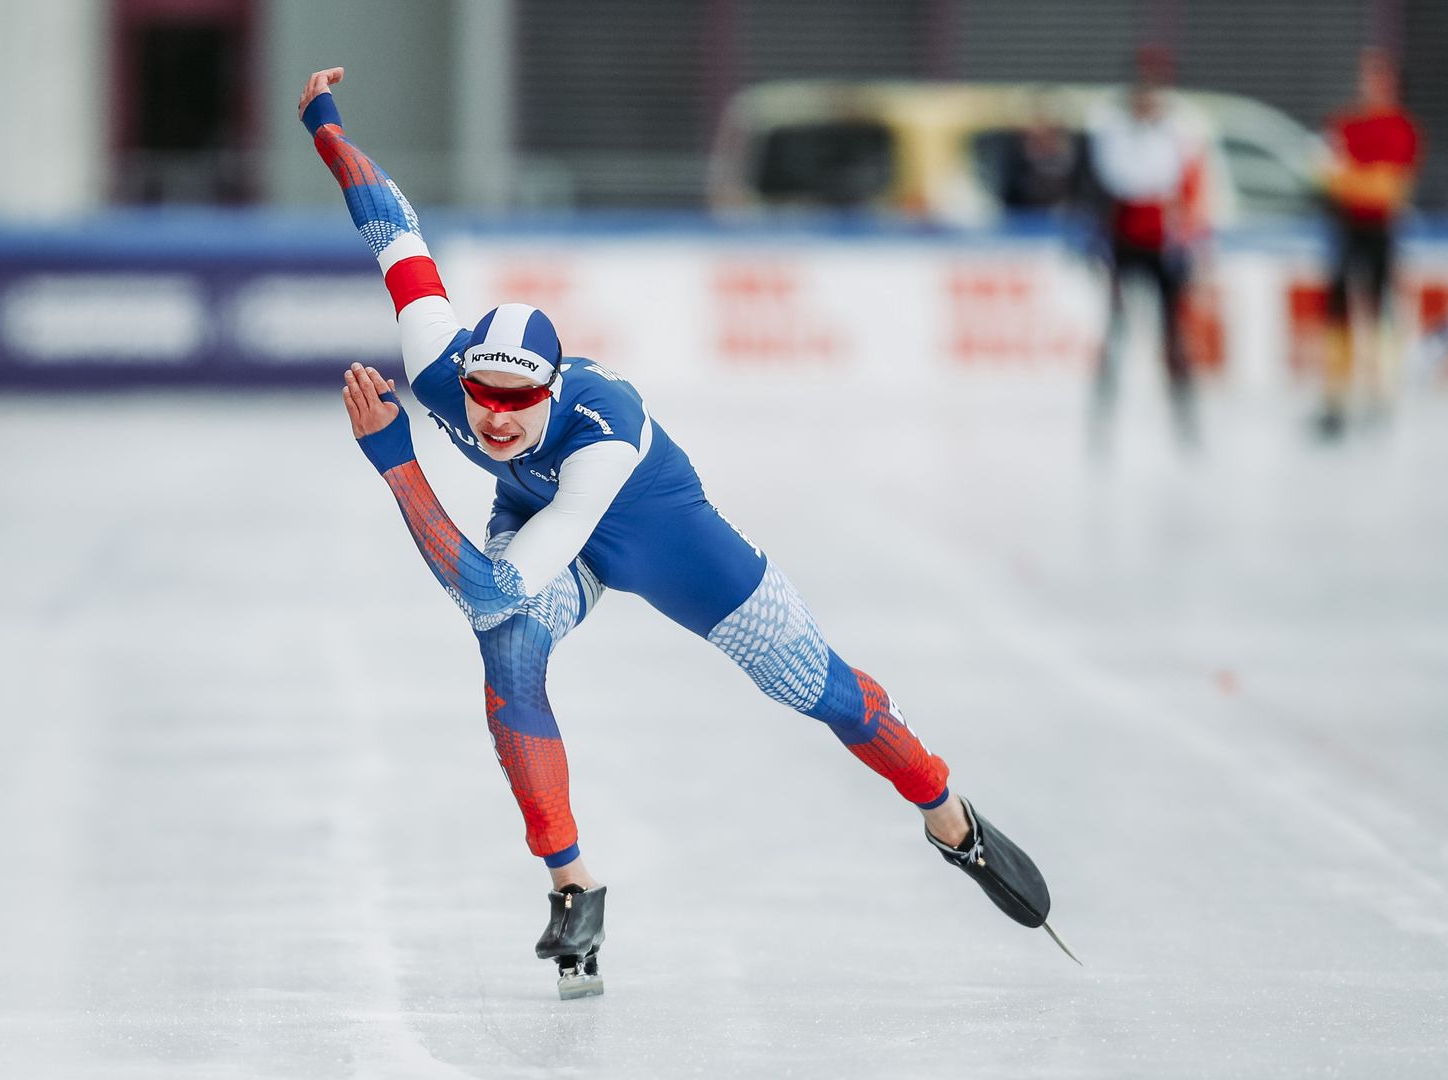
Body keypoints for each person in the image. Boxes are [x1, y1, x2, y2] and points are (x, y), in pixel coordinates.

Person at [299, 68, 1067, 997]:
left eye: (517, 402)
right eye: (481, 397)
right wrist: (330, 130)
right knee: (508, 653)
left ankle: (950, 815)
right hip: (545, 527)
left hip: (655, 532)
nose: (493, 419)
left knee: (827, 695)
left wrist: (396, 462)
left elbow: (484, 583)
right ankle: (573, 883)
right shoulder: (436, 363)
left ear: (551, 389)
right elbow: (392, 226)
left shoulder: (601, 436)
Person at [1085, 46, 1210, 450]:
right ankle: (1102, 422)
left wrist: (1191, 243)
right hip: (1125, 244)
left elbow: (1188, 193)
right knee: (1115, 332)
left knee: (1173, 335)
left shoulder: (1180, 130)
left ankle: (1185, 421)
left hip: (1163, 246)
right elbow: (1112, 184)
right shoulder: (1113, 129)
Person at [1316, 47, 1421, 439]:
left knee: (1379, 314)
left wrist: (1354, 180)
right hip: (1347, 229)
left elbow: (1388, 189)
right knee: (1338, 314)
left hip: (1379, 231)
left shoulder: (1401, 128)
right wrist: (1360, 181)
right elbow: (1329, 178)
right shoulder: (1345, 123)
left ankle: (1380, 395)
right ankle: (1336, 398)